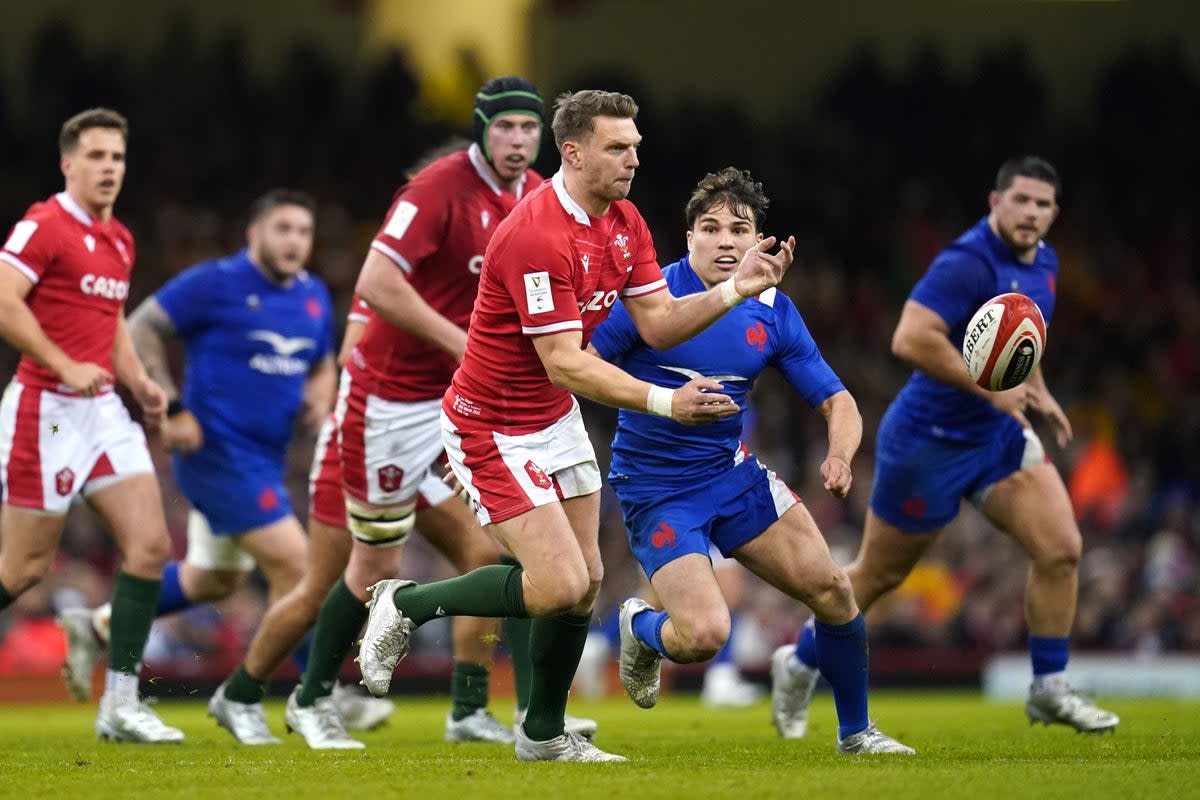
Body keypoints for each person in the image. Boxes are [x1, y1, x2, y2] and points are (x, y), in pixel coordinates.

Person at [356, 90, 795, 763]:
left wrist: (734, 290)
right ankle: (407, 604)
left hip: (550, 418)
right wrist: (664, 401)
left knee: (586, 580)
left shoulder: (624, 220)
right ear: (575, 151)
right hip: (491, 423)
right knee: (557, 584)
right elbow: (565, 363)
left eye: (636, 145)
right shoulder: (538, 234)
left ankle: (542, 737)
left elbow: (657, 322)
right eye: (619, 147)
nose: (634, 158)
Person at [284, 76, 591, 749]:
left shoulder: (540, 197)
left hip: (467, 402)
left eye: (528, 128)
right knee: (373, 566)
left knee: (501, 544)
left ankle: (474, 708)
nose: (517, 140)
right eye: (505, 127)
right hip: (393, 398)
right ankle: (310, 700)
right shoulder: (438, 188)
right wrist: (463, 342)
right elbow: (376, 283)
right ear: (482, 128)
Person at [781, 156, 1120, 734]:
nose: (1031, 212)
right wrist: (990, 394)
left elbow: (1016, 344)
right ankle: (799, 660)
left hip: (996, 440)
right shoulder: (967, 262)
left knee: (1061, 547)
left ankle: (1049, 688)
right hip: (926, 443)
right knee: (878, 577)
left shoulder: (1047, 264)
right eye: (1021, 200)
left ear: (1054, 213)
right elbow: (909, 338)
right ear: (996, 203)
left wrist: (1038, 390)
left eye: (1042, 204)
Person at [591, 167, 912, 754]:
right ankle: (640, 627)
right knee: (705, 634)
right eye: (709, 228)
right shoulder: (648, 298)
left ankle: (857, 734)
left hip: (732, 478)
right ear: (687, 238)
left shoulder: (774, 310)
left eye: (739, 229)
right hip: (657, 489)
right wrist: (661, 401)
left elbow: (838, 400)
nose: (725, 240)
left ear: (757, 240)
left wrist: (840, 456)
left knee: (836, 591)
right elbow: (581, 366)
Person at [56, 189, 338, 743]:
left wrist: (321, 393)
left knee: (215, 579)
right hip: (216, 453)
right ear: (254, 235)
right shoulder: (215, 282)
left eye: (303, 232)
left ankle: (99, 623)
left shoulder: (312, 297)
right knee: (300, 571)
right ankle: (293, 695)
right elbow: (138, 328)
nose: (294, 242)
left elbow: (323, 359)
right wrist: (171, 405)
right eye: (282, 229)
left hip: (267, 458)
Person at [0, 108, 183, 743]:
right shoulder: (44, 224)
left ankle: (122, 704)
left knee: (151, 547)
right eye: (97, 156)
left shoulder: (120, 239)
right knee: (22, 570)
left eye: (118, 158)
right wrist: (60, 362)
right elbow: (3, 299)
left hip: (101, 410)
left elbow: (109, 322)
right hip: (46, 412)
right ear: (68, 163)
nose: (109, 168)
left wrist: (137, 380)